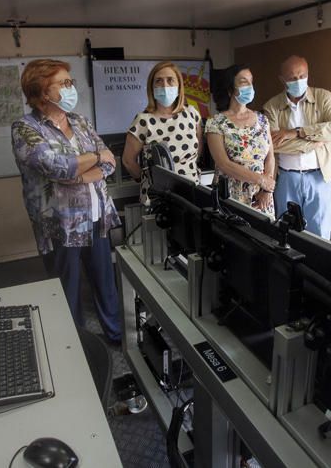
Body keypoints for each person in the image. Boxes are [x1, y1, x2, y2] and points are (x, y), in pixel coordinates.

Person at [12, 59, 121, 341]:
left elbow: (110, 162)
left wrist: (82, 175)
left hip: (97, 216)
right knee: (67, 289)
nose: (71, 88)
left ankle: (116, 335)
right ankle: (76, 345)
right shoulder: (25, 128)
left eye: (70, 82)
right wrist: (95, 159)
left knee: (105, 283)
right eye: (64, 83)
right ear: (42, 91)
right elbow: (55, 166)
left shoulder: (80, 121)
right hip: (61, 225)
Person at [263, 55, 331, 239]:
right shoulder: (272, 106)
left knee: (320, 231)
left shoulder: (323, 97)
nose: (299, 81)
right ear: (282, 79)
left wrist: (296, 133)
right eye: (292, 78)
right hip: (287, 177)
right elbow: (273, 144)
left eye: (303, 75)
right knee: (286, 229)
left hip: (319, 176)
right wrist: (314, 142)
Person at [122, 61, 202, 204]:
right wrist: (148, 179)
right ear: (151, 88)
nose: (165, 85)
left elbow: (198, 151)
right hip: (158, 198)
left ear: (179, 87)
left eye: (170, 80)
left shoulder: (192, 114)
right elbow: (128, 161)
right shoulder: (143, 120)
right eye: (159, 81)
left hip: (191, 193)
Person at [205, 65, 275, 216]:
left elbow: (270, 157)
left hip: (261, 198)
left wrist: (267, 189)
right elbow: (224, 164)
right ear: (230, 89)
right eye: (244, 82)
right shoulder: (216, 123)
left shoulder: (262, 120)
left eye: (251, 82)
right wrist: (260, 179)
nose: (250, 86)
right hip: (230, 196)